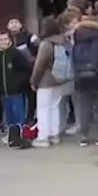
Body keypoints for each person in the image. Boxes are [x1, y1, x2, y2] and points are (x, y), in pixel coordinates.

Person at [70, 16, 98, 147]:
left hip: (81, 78)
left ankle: (84, 136)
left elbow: (73, 60)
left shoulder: (77, 42)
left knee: (84, 107)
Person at [29, 16, 71, 148]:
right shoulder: (65, 41)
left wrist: (33, 81)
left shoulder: (46, 43)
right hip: (61, 79)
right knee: (54, 107)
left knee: (43, 109)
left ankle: (43, 137)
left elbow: (40, 65)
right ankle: (54, 134)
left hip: (46, 81)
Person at [0, 29, 32, 146]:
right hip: (3, 91)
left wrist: (20, 83)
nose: (3, 42)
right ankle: (11, 136)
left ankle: (21, 136)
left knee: (18, 114)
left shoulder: (16, 53)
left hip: (16, 91)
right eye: (0, 40)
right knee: (9, 115)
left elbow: (26, 69)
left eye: (5, 39)